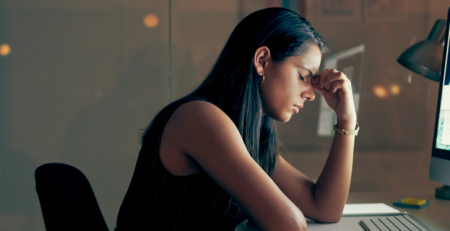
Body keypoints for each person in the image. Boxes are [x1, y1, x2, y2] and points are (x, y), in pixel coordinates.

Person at [115, 7, 357, 231]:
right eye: (303, 76)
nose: (310, 94)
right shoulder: (200, 118)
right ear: (262, 61)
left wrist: (346, 119)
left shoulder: (252, 129)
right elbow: (290, 226)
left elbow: (325, 208)